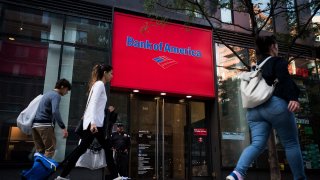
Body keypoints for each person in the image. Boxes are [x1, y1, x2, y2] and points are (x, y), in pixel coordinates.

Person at [226, 35, 306, 180]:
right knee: (291, 143)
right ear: (272, 47)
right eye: (276, 45)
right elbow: (285, 79)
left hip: (254, 110)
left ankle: (237, 173)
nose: (278, 48)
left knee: (256, 144)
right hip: (274, 105)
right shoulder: (277, 61)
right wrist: (293, 98)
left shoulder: (255, 67)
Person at [56, 64, 118, 180]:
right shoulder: (99, 85)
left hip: (93, 123)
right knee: (106, 149)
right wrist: (93, 122)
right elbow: (93, 103)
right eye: (111, 73)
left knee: (82, 149)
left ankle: (62, 176)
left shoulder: (97, 85)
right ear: (105, 73)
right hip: (95, 125)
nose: (112, 76)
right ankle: (116, 177)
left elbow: (91, 105)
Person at [32, 78, 71, 158]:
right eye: (67, 90)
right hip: (44, 126)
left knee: (40, 151)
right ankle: (45, 170)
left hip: (35, 126)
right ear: (62, 87)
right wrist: (63, 128)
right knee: (50, 150)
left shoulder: (47, 94)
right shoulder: (56, 95)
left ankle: (37, 170)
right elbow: (55, 111)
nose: (67, 93)